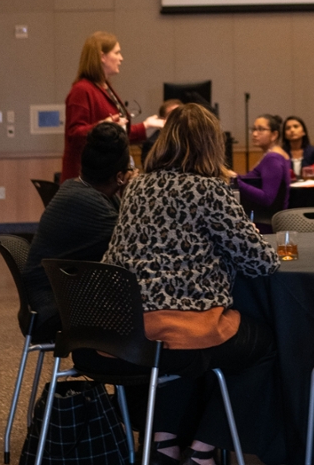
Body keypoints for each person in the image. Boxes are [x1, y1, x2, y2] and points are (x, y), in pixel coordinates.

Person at [98, 103, 279, 465]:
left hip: (124, 328)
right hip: (180, 328)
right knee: (265, 348)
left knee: (177, 346)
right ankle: (203, 448)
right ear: (212, 145)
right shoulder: (209, 190)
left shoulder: (135, 188)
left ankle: (164, 444)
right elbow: (261, 261)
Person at [23, 122, 133, 339]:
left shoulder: (77, 188)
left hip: (58, 297)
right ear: (120, 176)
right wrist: (131, 192)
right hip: (53, 309)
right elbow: (135, 243)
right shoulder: (89, 205)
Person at [61, 31, 162, 181]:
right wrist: (102, 126)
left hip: (105, 176)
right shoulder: (82, 90)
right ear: (102, 57)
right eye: (117, 53)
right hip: (88, 180)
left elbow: (116, 133)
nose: (121, 58)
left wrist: (146, 126)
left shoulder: (104, 87)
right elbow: (74, 135)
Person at [236, 114, 291, 226]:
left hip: (266, 223)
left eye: (261, 129)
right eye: (254, 129)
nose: (255, 134)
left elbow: (267, 198)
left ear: (274, 134)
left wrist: (235, 181)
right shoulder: (271, 155)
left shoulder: (273, 158)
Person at [141, 98, 182, 166]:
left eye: (180, 113)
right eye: (173, 114)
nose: (179, 117)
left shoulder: (192, 138)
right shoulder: (152, 143)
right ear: (163, 119)